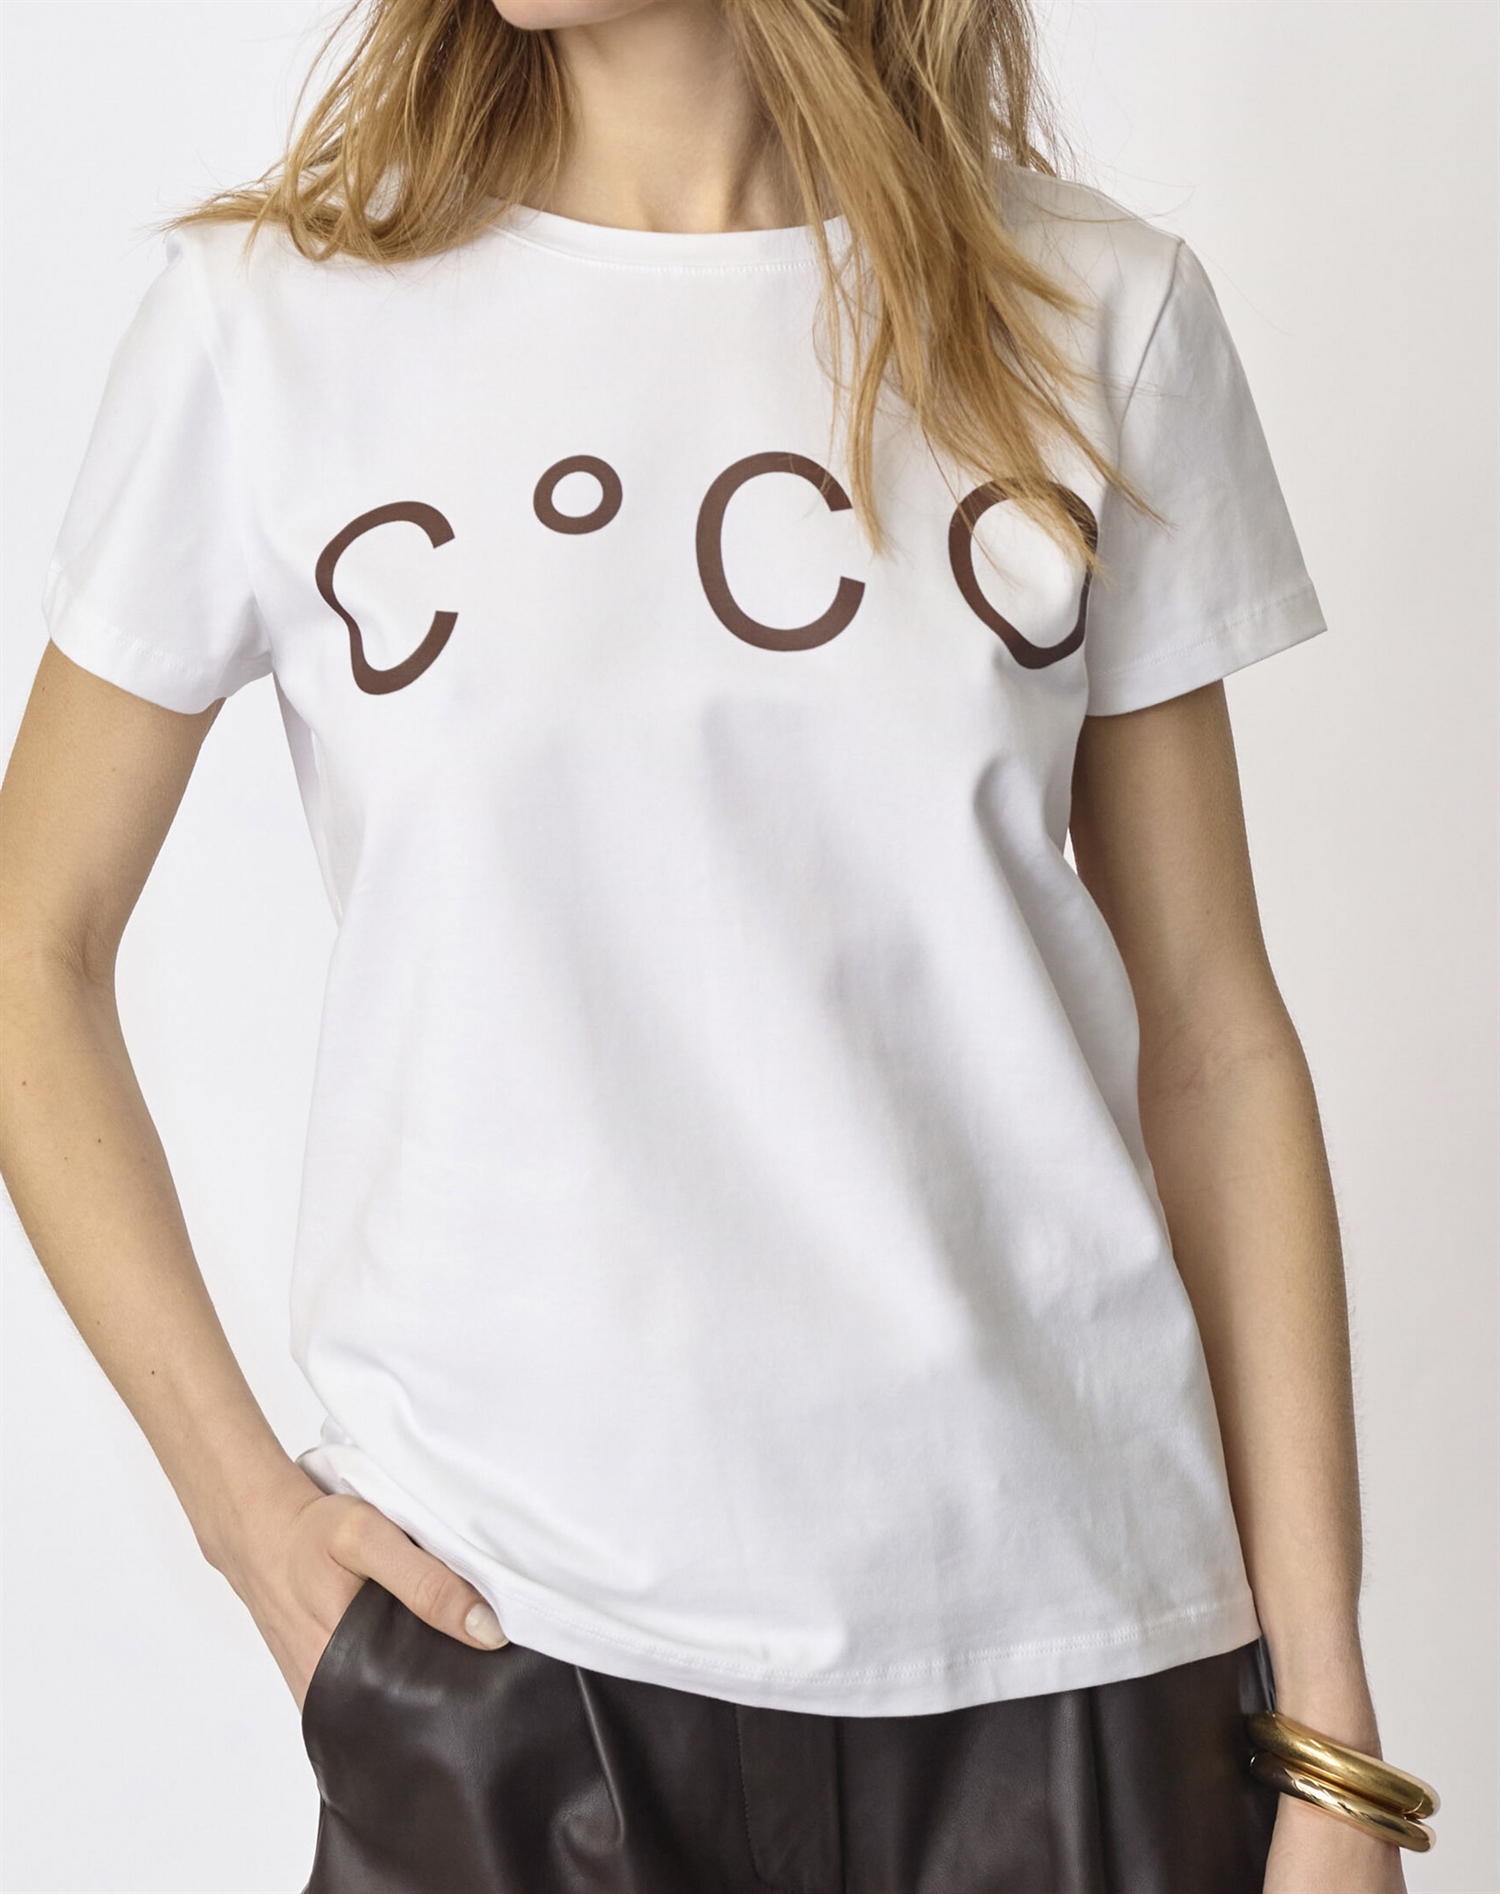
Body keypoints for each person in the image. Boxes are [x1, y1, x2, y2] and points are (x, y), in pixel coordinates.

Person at [0, 0, 1438, 1886]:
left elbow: (1216, 1030)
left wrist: (1329, 1737)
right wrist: (249, 1522)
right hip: (510, 1657)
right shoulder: (272, 326)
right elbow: (31, 951)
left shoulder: (1096, 313)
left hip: (1071, 1653)